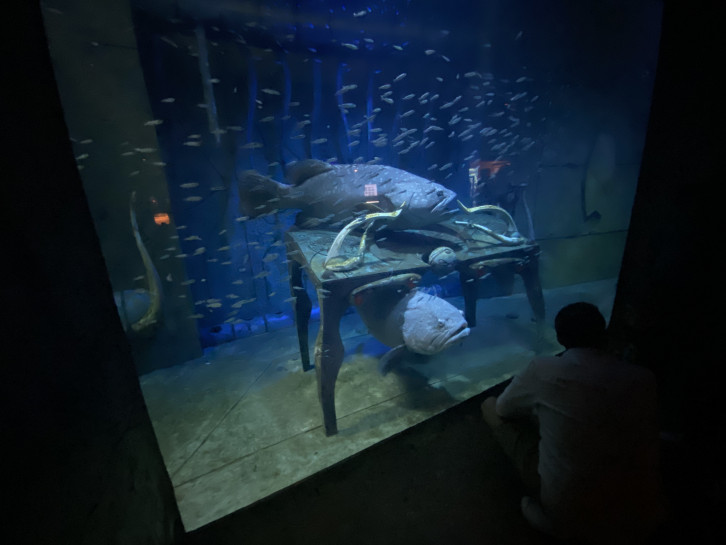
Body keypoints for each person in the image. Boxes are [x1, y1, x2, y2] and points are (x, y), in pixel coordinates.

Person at [481, 302, 666, 544]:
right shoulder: (643, 379)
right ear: (604, 333)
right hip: (637, 514)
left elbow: (502, 409)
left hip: (566, 515)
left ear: (559, 338)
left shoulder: (542, 368)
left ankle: (546, 516)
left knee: (489, 406)